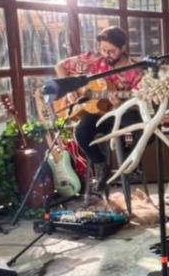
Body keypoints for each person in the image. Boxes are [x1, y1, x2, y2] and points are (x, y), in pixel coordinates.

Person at [55, 26, 142, 194]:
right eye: (103, 50)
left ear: (123, 48)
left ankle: (130, 165)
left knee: (140, 130)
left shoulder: (134, 70)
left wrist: (122, 100)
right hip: (96, 111)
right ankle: (101, 165)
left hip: (123, 111)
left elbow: (138, 96)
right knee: (81, 132)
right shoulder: (92, 59)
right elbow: (60, 66)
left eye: (112, 51)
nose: (106, 54)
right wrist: (70, 89)